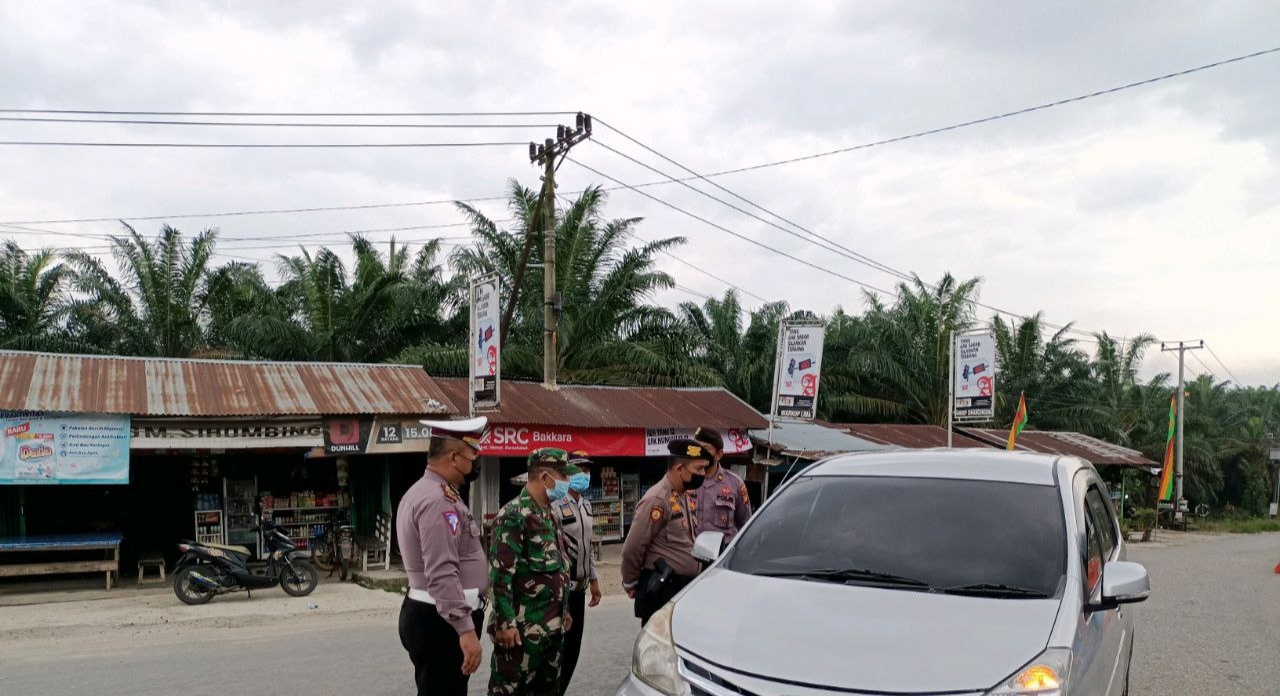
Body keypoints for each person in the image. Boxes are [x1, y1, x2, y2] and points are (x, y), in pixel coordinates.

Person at [395, 416, 490, 696]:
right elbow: (441, 572)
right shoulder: (438, 501)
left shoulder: (429, 492)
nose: (476, 460)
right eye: (473, 453)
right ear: (453, 457)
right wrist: (465, 629)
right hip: (441, 621)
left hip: (436, 616)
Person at [487, 448, 575, 696]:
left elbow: (558, 567)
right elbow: (500, 576)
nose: (567, 483)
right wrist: (505, 624)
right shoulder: (514, 515)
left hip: (552, 631)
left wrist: (564, 610)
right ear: (546, 477)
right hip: (521, 635)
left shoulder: (550, 514)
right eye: (564, 476)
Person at [620, 438, 713, 625]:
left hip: (682, 589)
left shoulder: (682, 495)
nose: (703, 474)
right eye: (698, 469)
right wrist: (630, 582)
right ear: (680, 470)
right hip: (663, 591)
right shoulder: (657, 499)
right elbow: (634, 546)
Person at [555, 451, 602, 696]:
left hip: (581, 589)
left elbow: (588, 544)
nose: (584, 474)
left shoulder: (586, 504)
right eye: (579, 469)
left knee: (573, 652)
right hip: (562, 590)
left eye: (587, 469)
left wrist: (594, 580)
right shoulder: (556, 504)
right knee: (559, 653)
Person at [690, 426, 753, 546]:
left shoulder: (735, 484)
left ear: (718, 454)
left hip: (721, 557)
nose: (700, 453)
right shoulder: (685, 479)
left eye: (706, 449)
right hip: (690, 555)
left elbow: (746, 525)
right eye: (697, 448)